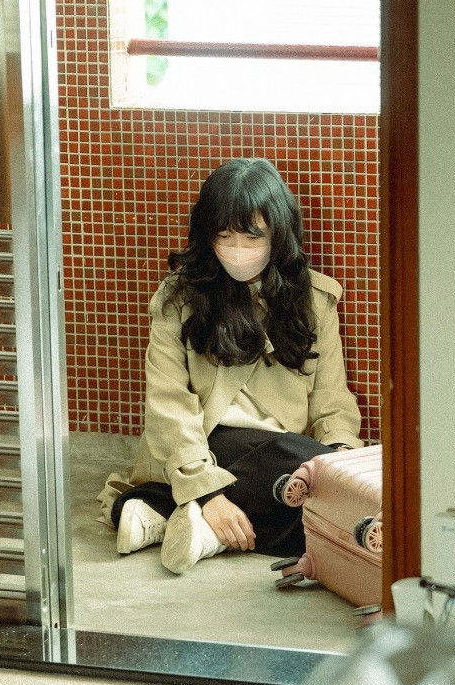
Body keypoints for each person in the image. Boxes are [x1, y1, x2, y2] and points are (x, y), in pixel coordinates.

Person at [97, 157, 363, 574]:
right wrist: (208, 493)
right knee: (306, 485)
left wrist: (343, 468)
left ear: (278, 234)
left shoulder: (314, 300)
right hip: (204, 443)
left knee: (332, 507)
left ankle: (162, 510)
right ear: (208, 237)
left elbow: (332, 400)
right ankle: (197, 513)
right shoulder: (179, 299)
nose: (237, 251)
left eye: (251, 238)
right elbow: (169, 406)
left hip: (285, 453)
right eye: (225, 238)